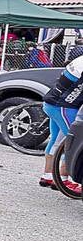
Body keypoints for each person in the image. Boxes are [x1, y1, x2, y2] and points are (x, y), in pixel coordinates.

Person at [40, 53, 83, 192]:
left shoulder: (80, 60)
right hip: (64, 107)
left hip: (52, 103)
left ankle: (48, 175)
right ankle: (63, 180)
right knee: (72, 142)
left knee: (57, 141)